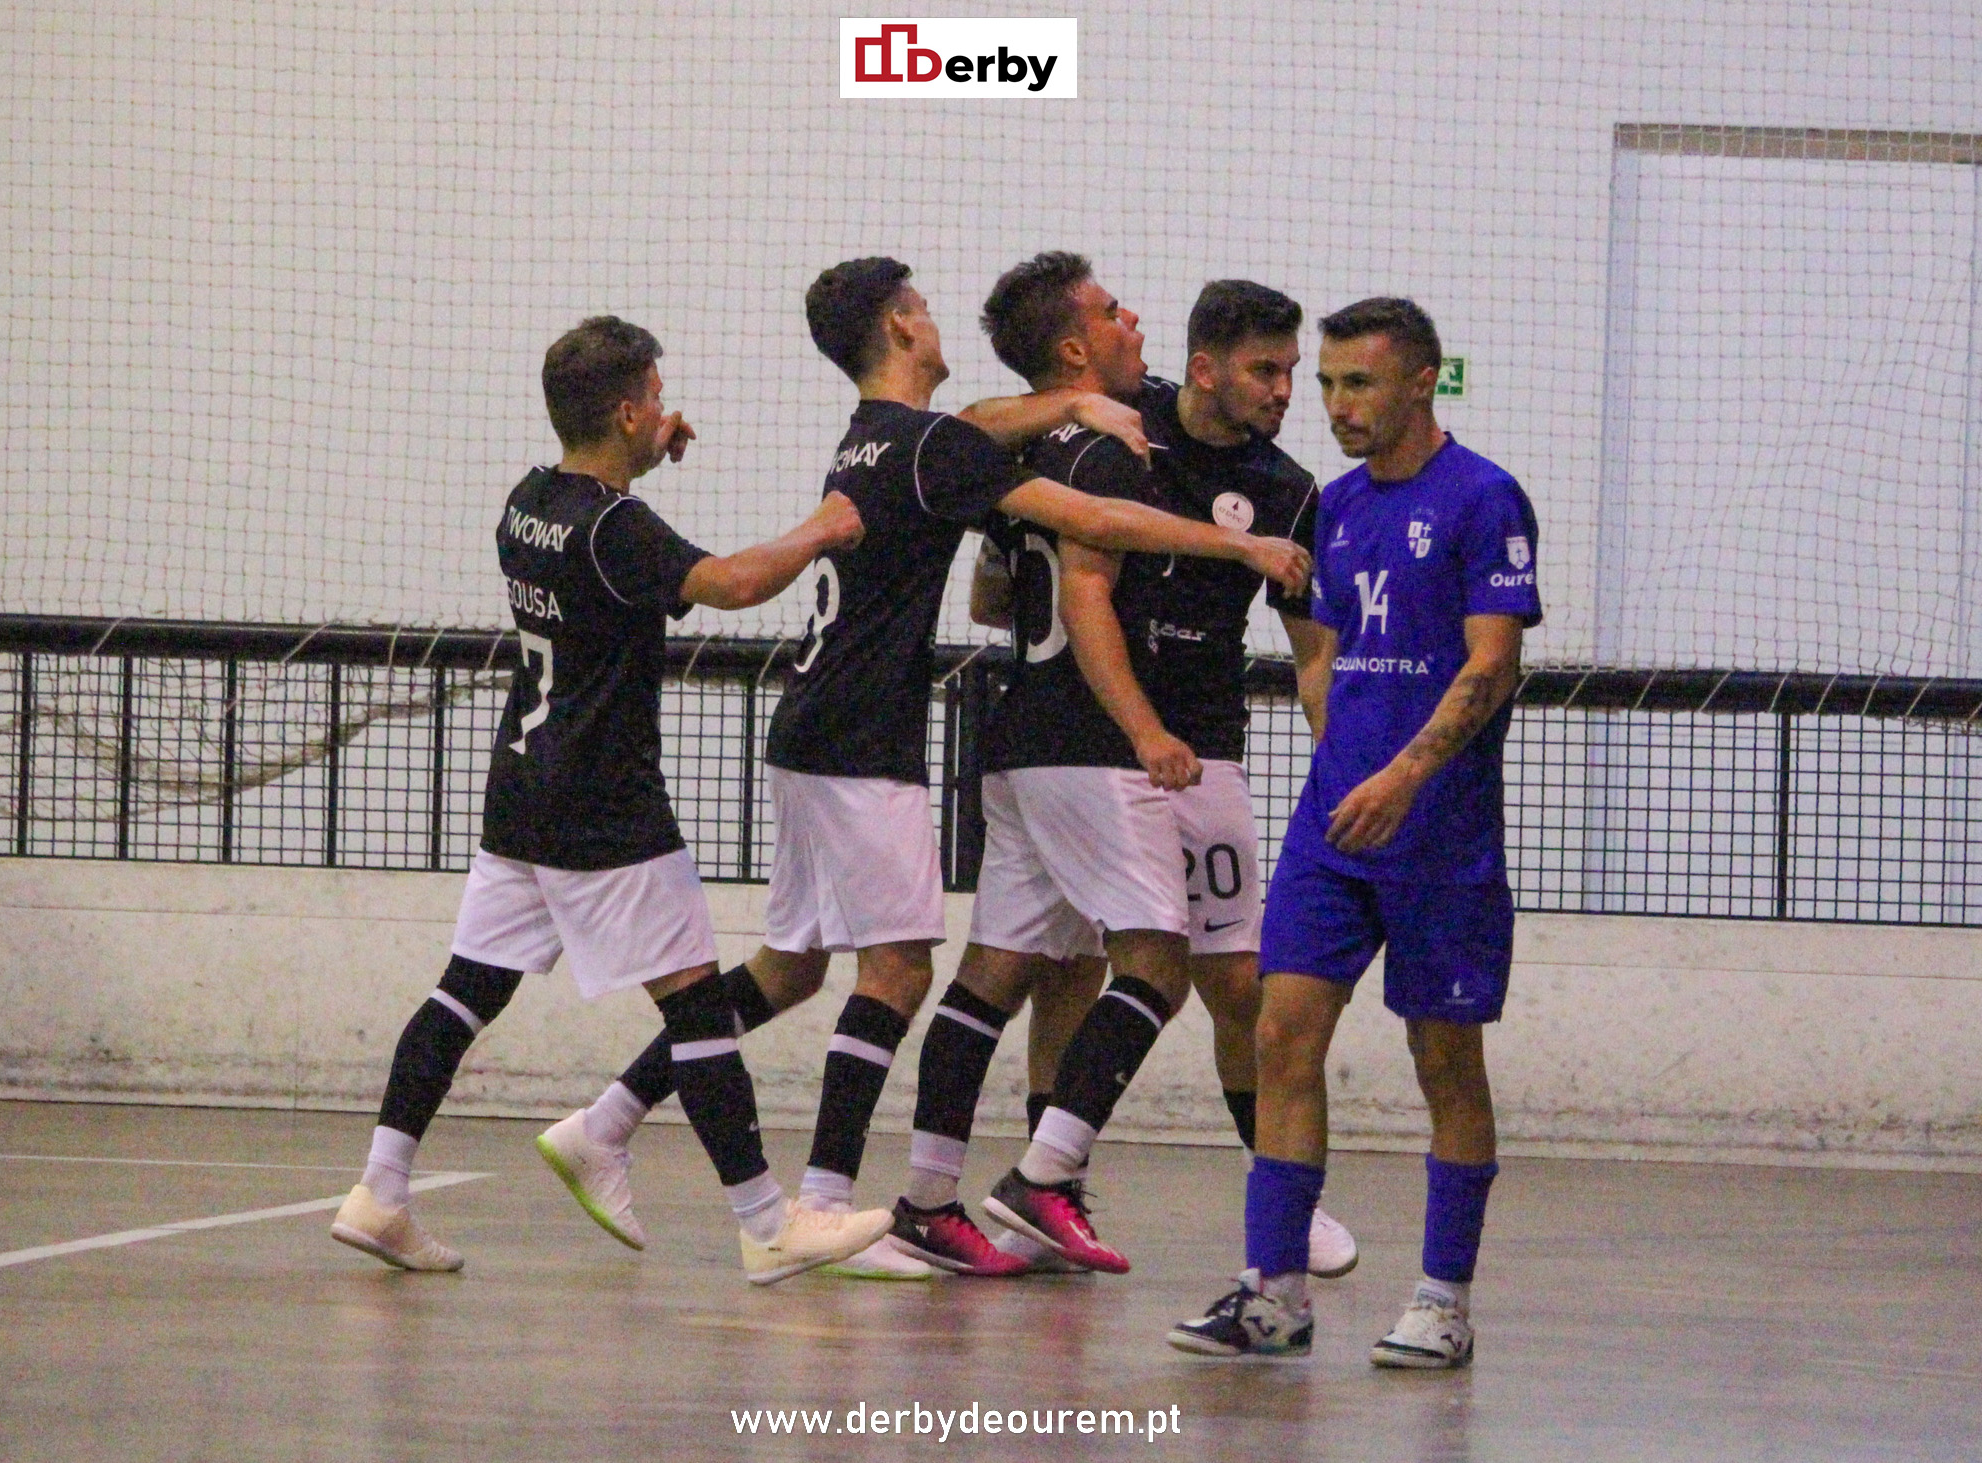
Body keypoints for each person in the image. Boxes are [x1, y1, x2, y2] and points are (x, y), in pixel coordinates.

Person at [536, 259, 1307, 1280]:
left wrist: (1071, 399)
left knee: (792, 967)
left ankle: (608, 1117)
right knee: (898, 968)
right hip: (864, 736)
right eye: (926, 309)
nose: (939, 321)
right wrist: (1235, 545)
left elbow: (987, 430)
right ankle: (819, 1204)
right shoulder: (930, 446)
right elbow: (1099, 523)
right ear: (902, 326)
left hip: (814, 724)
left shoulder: (878, 434)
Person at [330, 315, 891, 1286]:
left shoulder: (530, 502)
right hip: (604, 808)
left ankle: (380, 1189)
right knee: (698, 1009)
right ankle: (767, 1223)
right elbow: (727, 583)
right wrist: (822, 528)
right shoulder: (617, 528)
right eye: (656, 397)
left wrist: (641, 462)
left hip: (521, 792)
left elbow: (608, 557)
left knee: (465, 989)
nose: (667, 409)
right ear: (627, 409)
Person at [904, 278, 1358, 1280]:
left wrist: (1338, 773)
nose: (1286, 390)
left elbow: (1311, 648)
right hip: (1110, 741)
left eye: (1294, 372)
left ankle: (1276, 1194)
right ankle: (1043, 1178)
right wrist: (1141, 723)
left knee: (1229, 977)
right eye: (1265, 370)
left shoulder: (1287, 488)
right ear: (1204, 370)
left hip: (1200, 744)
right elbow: (1016, 493)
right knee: (1121, 965)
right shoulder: (1117, 425)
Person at [1168, 297, 1542, 1364]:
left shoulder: (1482, 498)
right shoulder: (1329, 507)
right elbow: (1320, 652)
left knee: (1443, 1059)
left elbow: (1490, 663)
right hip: (1334, 828)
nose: (1332, 404)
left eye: (1356, 383)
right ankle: (1273, 1292)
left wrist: (1403, 773)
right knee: (1279, 1030)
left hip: (1438, 835)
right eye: (1324, 383)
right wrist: (1342, 762)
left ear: (1421, 380)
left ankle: (1441, 1298)